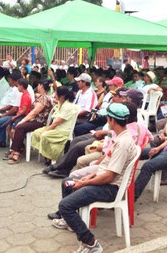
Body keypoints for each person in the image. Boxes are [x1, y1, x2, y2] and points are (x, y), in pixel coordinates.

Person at [49, 103, 136, 253]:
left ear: (112, 120)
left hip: (110, 189)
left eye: (107, 117)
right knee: (67, 183)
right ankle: (70, 222)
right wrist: (86, 177)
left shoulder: (122, 143)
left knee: (65, 206)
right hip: (104, 181)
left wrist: (84, 183)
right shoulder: (119, 135)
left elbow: (109, 176)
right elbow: (104, 167)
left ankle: (90, 243)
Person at [44, 88, 127, 178]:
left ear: (123, 98)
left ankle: (58, 167)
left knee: (78, 146)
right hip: (103, 131)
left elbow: (121, 130)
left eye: (115, 96)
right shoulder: (115, 106)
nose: (112, 98)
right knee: (76, 140)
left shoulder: (125, 111)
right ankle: (64, 169)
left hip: (106, 136)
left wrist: (103, 132)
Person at [6, 79, 53, 164]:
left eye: (38, 85)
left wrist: (23, 120)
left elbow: (35, 112)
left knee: (20, 126)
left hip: (39, 122)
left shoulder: (44, 98)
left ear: (41, 86)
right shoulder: (43, 96)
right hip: (35, 120)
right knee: (18, 126)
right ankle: (17, 149)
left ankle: (17, 153)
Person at [31, 86, 79, 163]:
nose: (55, 96)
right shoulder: (61, 103)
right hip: (55, 128)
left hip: (62, 131)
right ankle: (46, 154)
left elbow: (57, 122)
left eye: (56, 94)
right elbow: (52, 100)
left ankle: (50, 156)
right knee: (36, 133)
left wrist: (45, 131)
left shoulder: (68, 107)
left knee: (44, 135)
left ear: (62, 96)